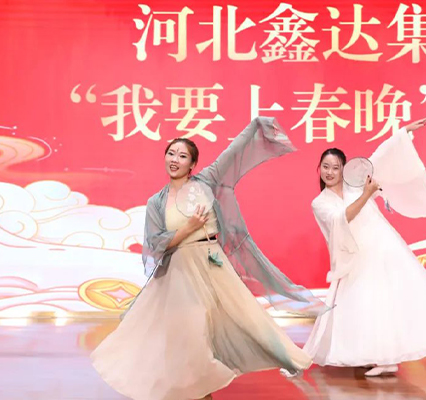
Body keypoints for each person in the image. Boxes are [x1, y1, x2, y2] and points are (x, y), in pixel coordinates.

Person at [92, 117, 323, 400]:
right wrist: (188, 228)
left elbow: (233, 152)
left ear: (193, 164)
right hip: (180, 271)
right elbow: (156, 244)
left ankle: (282, 359)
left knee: (247, 319)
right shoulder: (157, 202)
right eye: (171, 153)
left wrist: (255, 127)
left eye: (182, 156)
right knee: (191, 331)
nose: (174, 160)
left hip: (213, 265)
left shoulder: (207, 182)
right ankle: (197, 391)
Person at [303, 117, 426, 377]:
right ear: (319, 169)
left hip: (381, 247)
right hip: (355, 257)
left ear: (343, 169)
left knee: (385, 302)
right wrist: (366, 194)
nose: (330, 172)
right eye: (325, 167)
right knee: (363, 306)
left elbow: (378, 158)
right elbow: (342, 219)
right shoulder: (320, 202)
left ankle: (386, 358)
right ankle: (372, 354)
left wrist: (402, 134)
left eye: (335, 167)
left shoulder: (353, 183)